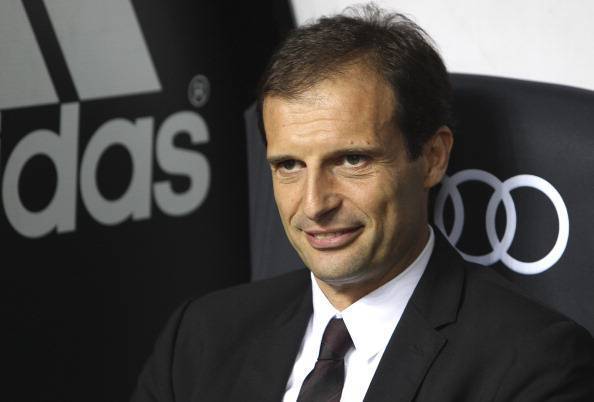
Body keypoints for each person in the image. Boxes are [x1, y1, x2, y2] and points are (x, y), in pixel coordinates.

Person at [131, 5, 594, 401]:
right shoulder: (199, 338)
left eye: (352, 160)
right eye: (289, 165)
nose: (314, 204)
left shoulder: (535, 364)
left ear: (433, 158)